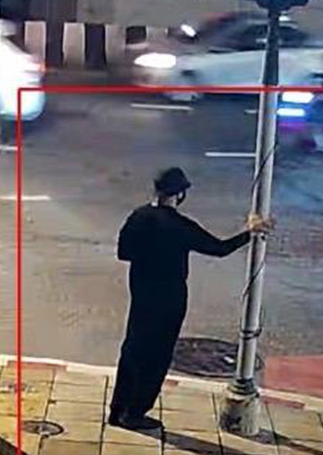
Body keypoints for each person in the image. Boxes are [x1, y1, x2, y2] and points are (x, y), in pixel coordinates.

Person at [109, 167, 271, 431]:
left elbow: (123, 253)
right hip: (170, 298)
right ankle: (136, 412)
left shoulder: (138, 217)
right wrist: (249, 232)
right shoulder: (180, 226)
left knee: (133, 351)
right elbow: (219, 248)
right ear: (180, 194)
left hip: (141, 294)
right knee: (158, 356)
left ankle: (117, 410)